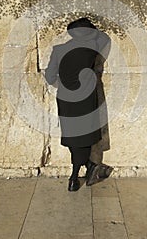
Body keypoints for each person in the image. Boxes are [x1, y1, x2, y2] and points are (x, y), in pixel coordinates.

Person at [45, 18, 110, 191]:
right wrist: (92, 30)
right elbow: (104, 37)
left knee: (73, 136)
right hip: (86, 99)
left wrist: (65, 85)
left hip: (66, 99)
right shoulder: (92, 47)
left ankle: (79, 173)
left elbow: (50, 77)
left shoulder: (59, 50)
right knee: (84, 136)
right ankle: (81, 172)